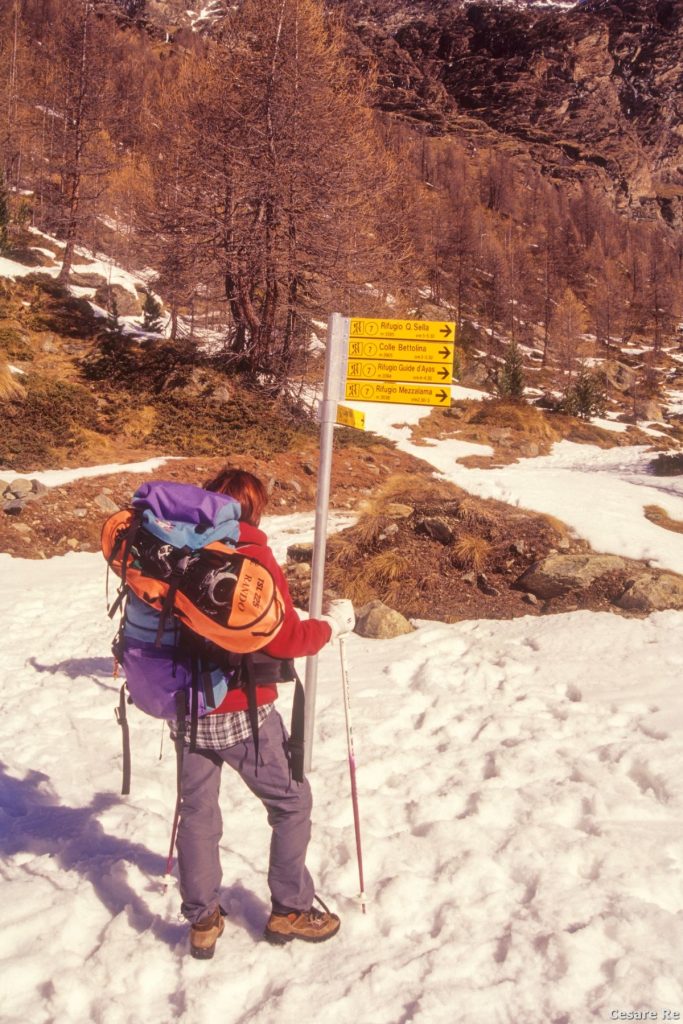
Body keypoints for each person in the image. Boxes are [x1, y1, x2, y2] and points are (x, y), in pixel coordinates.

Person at [174, 467, 355, 958]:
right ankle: (290, 909)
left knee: (197, 812)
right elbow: (287, 639)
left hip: (186, 708)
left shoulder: (181, 551)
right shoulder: (252, 555)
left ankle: (203, 921)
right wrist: (332, 625)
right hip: (242, 711)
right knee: (291, 803)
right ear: (254, 509)